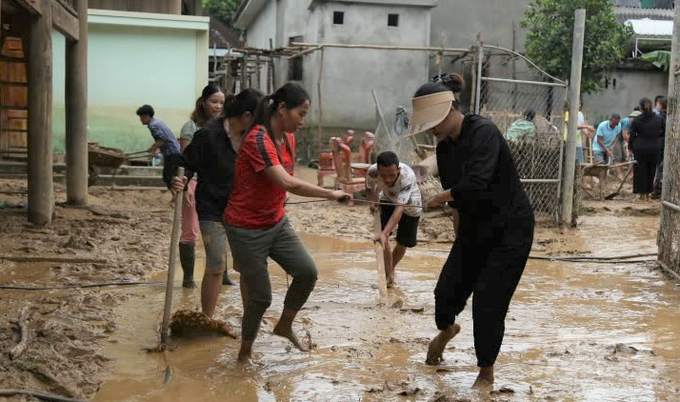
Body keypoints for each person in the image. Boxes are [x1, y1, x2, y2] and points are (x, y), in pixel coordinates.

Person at [404, 73, 534, 389]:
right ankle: (447, 331)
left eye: (435, 121)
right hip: (475, 227)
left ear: (451, 110)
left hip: (509, 230)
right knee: (445, 293)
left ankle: (485, 373)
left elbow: (476, 182)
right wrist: (453, 212)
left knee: (488, 302)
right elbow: (454, 190)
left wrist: (440, 198)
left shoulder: (484, 132)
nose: (433, 128)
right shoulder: (446, 146)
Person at [223, 83, 349, 362]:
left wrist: (280, 201)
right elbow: (287, 181)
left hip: (276, 222)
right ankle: (244, 354)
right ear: (282, 109)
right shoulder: (258, 139)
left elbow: (282, 184)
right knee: (260, 297)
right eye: (301, 114)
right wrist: (330, 193)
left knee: (307, 272)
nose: (303, 121)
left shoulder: (287, 139)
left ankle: (284, 325)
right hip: (245, 228)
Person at [171, 88, 263, 317]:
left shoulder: (255, 136)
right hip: (212, 207)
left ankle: (248, 320)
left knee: (248, 267)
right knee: (215, 263)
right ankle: (207, 318)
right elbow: (186, 163)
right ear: (246, 116)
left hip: (243, 208)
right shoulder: (208, 135)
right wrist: (181, 179)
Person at [176, 84, 226, 289]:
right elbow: (186, 161)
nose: (218, 106)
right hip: (195, 182)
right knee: (191, 230)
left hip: (217, 184)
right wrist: (186, 185)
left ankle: (222, 275)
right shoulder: (191, 127)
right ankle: (188, 278)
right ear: (203, 102)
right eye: (214, 102)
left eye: (221, 103)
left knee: (222, 228)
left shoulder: (225, 127)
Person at [365, 151, 422, 288]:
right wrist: (373, 202)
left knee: (403, 242)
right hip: (387, 199)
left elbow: (400, 209)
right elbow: (368, 187)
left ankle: (389, 272)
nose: (388, 179)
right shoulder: (372, 172)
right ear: (378, 170)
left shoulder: (407, 176)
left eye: (392, 175)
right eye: (384, 176)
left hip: (410, 205)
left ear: (398, 169)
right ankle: (389, 275)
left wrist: (384, 233)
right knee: (384, 239)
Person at [136, 104, 181, 189]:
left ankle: (176, 197)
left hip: (171, 153)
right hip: (175, 151)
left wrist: (153, 150)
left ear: (146, 116)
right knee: (171, 175)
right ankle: (175, 197)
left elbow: (162, 140)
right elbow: (160, 138)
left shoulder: (153, 126)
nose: (140, 120)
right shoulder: (158, 122)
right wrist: (152, 147)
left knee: (168, 177)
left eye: (141, 117)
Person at [630, 98, 665, 201]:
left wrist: (630, 148)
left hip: (640, 148)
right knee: (651, 170)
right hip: (655, 147)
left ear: (640, 108)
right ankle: (647, 194)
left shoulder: (637, 120)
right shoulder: (659, 119)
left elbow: (632, 135)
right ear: (652, 106)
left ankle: (641, 195)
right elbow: (664, 132)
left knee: (640, 171)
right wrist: (656, 138)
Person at [593, 114, 624, 180]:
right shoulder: (602, 125)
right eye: (613, 123)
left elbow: (617, 136)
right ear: (610, 120)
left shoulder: (619, 126)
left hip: (608, 147)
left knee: (605, 166)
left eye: (616, 124)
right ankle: (596, 179)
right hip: (598, 147)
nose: (614, 126)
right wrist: (607, 150)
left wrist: (613, 146)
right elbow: (599, 140)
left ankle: (602, 182)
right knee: (600, 164)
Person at [651, 97, 668, 199]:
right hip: (665, 144)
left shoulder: (658, 117)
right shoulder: (671, 117)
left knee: (659, 168)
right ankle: (658, 189)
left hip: (660, 144)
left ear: (660, 105)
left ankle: (657, 190)